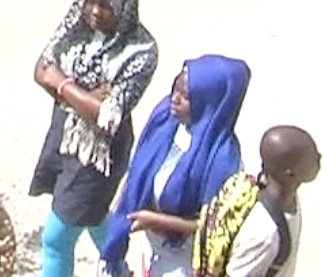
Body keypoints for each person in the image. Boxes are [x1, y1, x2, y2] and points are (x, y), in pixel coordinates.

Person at [31, 0, 160, 277]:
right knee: (91, 215)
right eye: (91, 1)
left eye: (107, 5)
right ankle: (118, 268)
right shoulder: (76, 27)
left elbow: (107, 116)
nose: (95, 12)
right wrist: (83, 96)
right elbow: (39, 69)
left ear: (125, 5)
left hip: (98, 155)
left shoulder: (141, 51)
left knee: (56, 239)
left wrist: (60, 82)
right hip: (65, 137)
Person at [100, 56, 253, 277]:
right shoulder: (165, 120)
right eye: (174, 90)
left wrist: (159, 221)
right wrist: (124, 195)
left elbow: (216, 225)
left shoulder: (223, 160)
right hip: (152, 247)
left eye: (186, 97)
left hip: (184, 259)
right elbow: (140, 163)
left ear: (210, 103)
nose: (174, 99)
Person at [188, 126, 320, 277]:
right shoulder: (264, 233)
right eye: (312, 157)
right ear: (290, 173)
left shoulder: (286, 196)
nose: (319, 157)